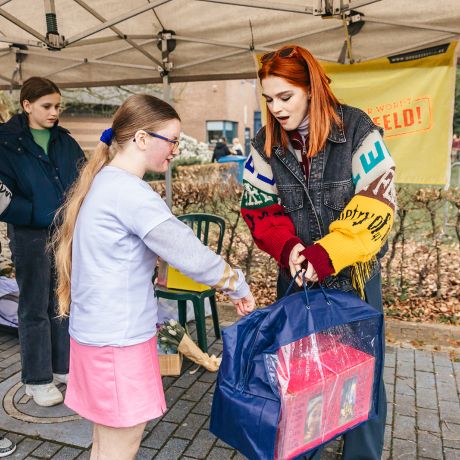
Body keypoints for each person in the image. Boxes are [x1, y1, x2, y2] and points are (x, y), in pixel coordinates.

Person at [52, 94, 255, 459]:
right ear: (142, 139)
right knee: (118, 449)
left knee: (105, 445)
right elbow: (188, 252)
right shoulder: (131, 193)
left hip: (99, 337)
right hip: (118, 342)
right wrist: (236, 283)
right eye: (172, 139)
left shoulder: (105, 182)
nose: (176, 149)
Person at [241, 45, 396, 460]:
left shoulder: (358, 129)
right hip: (296, 277)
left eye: (285, 97)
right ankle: (299, 448)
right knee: (298, 375)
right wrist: (289, 247)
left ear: (311, 88)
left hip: (356, 279)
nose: (275, 108)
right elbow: (258, 207)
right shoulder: (264, 142)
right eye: (268, 98)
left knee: (365, 374)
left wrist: (326, 255)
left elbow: (377, 203)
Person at [0, 77, 85, 407]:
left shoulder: (65, 141)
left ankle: (62, 367)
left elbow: (83, 178)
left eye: (58, 106)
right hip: (29, 235)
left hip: (64, 235)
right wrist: (38, 213)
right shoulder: (6, 142)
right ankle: (37, 379)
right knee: (34, 305)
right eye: (47, 106)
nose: (54, 112)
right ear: (26, 105)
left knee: (62, 301)